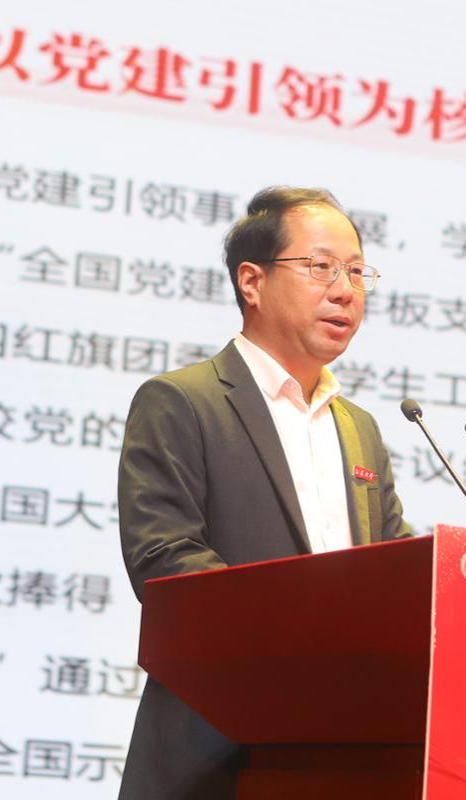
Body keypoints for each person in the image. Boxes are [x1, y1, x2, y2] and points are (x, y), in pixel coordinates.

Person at [116, 186, 412, 798]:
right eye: (321, 267)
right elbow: (166, 562)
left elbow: (396, 567)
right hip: (216, 756)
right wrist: (305, 648)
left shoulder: (359, 429)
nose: (346, 291)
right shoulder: (183, 402)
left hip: (347, 755)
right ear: (251, 281)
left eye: (357, 272)